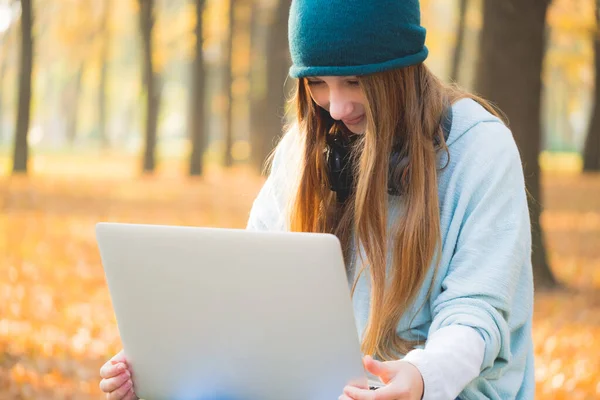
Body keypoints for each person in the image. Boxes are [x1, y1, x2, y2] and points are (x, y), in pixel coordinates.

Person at [99, 0, 535, 399]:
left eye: (353, 81)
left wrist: (421, 379)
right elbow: (248, 288)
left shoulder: (482, 151)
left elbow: (477, 313)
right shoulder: (305, 148)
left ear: (400, 71)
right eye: (319, 83)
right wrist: (166, 369)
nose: (337, 108)